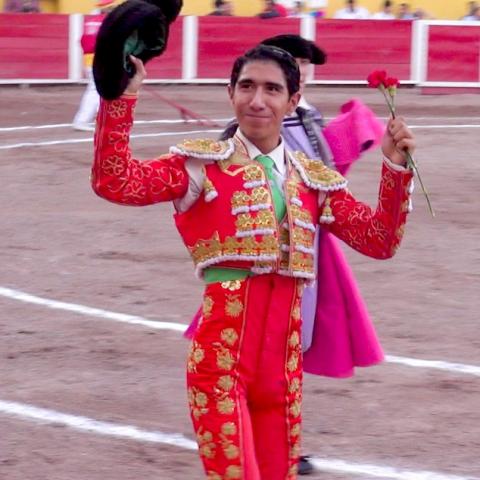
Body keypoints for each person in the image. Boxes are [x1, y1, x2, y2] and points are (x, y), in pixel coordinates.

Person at [91, 43, 415, 478]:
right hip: (221, 367)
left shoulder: (312, 179)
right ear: (230, 93)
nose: (257, 100)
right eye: (246, 86)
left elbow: (378, 241)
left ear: (293, 100)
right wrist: (121, 98)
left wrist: (395, 171)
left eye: (271, 89)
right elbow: (116, 181)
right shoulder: (200, 166)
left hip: (283, 374)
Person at [72, 0, 117, 132]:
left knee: (100, 89)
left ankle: (101, 120)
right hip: (102, 59)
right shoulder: (110, 23)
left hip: (89, 59)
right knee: (98, 90)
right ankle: (83, 120)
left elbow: (83, 41)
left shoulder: (91, 21)